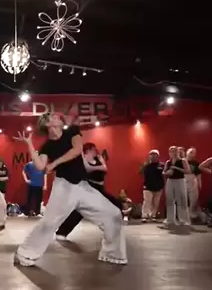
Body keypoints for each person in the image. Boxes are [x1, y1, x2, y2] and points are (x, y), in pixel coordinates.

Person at [13, 112, 127, 266]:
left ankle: (112, 253)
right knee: (49, 222)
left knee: (113, 214)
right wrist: (29, 144)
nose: (58, 118)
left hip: (82, 186)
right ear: (47, 124)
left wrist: (54, 163)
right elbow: (40, 166)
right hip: (63, 187)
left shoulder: (72, 131)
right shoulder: (47, 146)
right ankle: (24, 253)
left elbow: (77, 150)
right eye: (54, 117)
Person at [55, 142, 121, 239]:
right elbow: (87, 168)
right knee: (80, 211)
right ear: (89, 150)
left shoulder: (99, 157)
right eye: (94, 149)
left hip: (100, 188)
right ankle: (61, 232)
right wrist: (98, 168)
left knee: (116, 204)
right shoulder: (83, 158)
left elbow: (105, 169)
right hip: (90, 186)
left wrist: (96, 168)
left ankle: (113, 228)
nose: (96, 150)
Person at [163, 146, 192, 226]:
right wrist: (167, 172)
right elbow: (164, 172)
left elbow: (188, 171)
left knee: (182, 200)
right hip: (170, 181)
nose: (174, 153)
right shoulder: (168, 162)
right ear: (169, 153)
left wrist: (176, 168)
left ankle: (183, 220)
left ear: (178, 152)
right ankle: (170, 219)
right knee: (170, 200)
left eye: (175, 151)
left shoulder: (183, 161)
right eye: (172, 151)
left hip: (180, 180)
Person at [141, 150, 164, 222]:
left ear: (158, 156)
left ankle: (153, 215)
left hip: (158, 187)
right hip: (148, 187)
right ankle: (145, 216)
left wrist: (162, 185)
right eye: (151, 155)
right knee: (147, 202)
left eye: (155, 155)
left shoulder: (161, 165)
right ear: (149, 156)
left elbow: (163, 176)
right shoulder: (146, 166)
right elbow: (144, 175)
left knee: (156, 203)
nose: (153, 156)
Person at [185, 147, 203, 221]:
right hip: (183, 180)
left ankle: (191, 213)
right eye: (191, 152)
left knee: (193, 198)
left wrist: (199, 183)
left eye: (194, 153)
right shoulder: (182, 161)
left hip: (192, 180)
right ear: (187, 153)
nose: (192, 154)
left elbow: (198, 174)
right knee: (184, 198)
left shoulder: (196, 163)